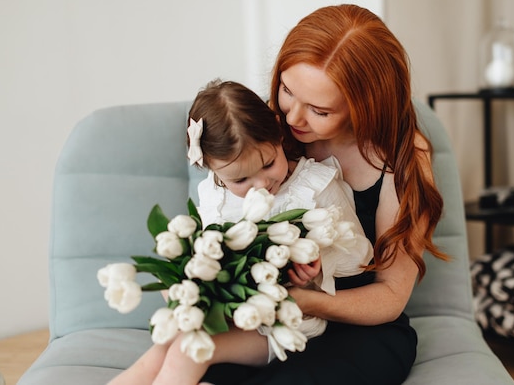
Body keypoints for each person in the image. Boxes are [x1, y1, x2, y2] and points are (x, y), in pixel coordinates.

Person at [201, 4, 448, 385]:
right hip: (270, 324)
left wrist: (305, 302)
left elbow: (391, 295)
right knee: (199, 358)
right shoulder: (270, 135)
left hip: (359, 331)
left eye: (319, 109)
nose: (293, 117)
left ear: (366, 105)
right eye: (286, 90)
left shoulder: (402, 155)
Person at [107, 79, 373, 385]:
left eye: (269, 163)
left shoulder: (314, 186)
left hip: (284, 323)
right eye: (240, 180)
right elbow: (206, 253)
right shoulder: (214, 196)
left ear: (277, 131)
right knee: (160, 349)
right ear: (212, 169)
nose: (260, 185)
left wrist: (317, 268)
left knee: (187, 351)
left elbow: (360, 255)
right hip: (228, 315)